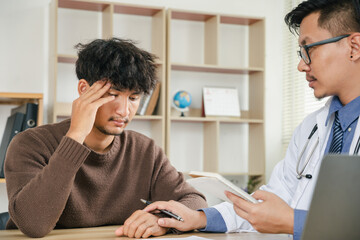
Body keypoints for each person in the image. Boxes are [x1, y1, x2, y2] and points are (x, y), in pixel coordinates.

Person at [142, 0, 360, 239]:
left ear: (354, 47)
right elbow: (275, 197)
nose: (301, 65)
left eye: (309, 49)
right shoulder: (311, 128)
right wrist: (198, 217)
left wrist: (292, 221)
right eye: (301, 53)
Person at [4, 38, 207, 238]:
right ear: (84, 90)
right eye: (113, 94)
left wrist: (160, 220)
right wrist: (75, 136)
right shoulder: (30, 144)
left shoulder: (144, 150)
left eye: (134, 98)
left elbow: (194, 201)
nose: (124, 110)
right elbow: (33, 225)